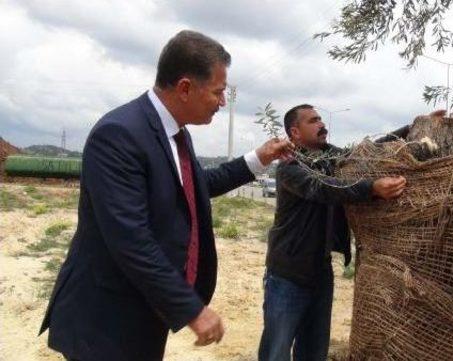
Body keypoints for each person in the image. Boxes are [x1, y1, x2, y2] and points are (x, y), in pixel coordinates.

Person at [38, 30, 294, 361]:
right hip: (104, 319)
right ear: (185, 87)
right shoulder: (119, 134)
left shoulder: (175, 134)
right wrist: (191, 309)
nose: (222, 102)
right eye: (218, 92)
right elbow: (130, 238)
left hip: (143, 309)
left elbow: (197, 185)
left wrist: (260, 157)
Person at [258, 104, 407, 361]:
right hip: (287, 274)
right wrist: (371, 188)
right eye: (313, 121)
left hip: (321, 272)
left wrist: (409, 128)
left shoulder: (331, 157)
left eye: (321, 120)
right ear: (294, 131)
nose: (321, 125)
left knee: (315, 352)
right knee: (276, 351)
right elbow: (325, 188)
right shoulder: (289, 167)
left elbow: (365, 154)